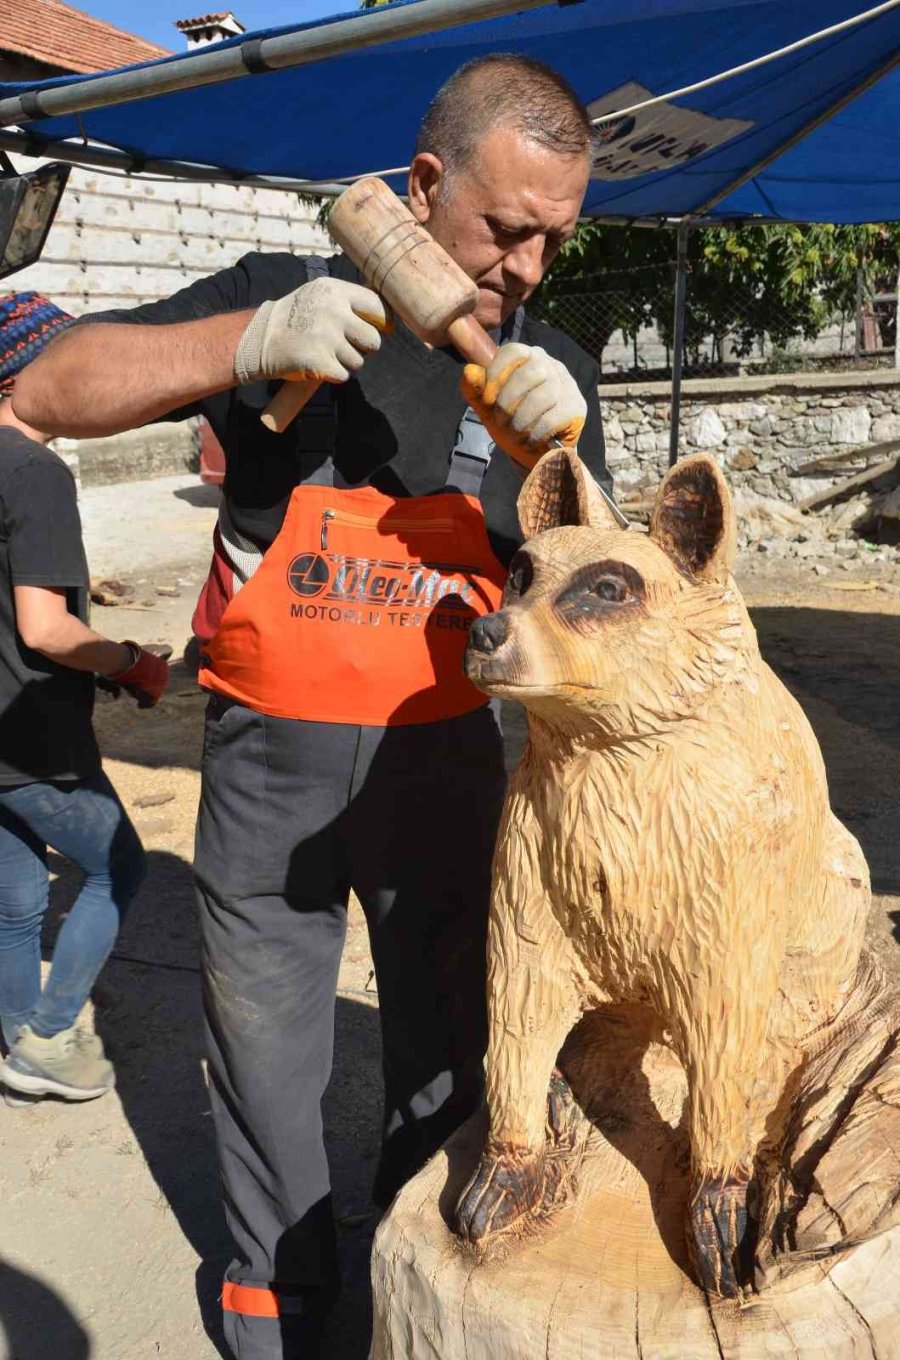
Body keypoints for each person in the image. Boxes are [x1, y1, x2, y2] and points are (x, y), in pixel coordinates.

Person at [15, 54, 610, 1359]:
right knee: (266, 1049)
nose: (522, 267)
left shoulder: (547, 371)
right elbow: (47, 390)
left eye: (553, 241)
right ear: (423, 183)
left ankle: (422, 1274)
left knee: (451, 1047)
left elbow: (608, 624)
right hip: (266, 774)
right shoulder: (284, 298)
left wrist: (568, 478)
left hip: (443, 768)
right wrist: (243, 344)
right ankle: (275, 1299)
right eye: (505, 226)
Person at [0, 292, 170, 1105]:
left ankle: (17, 1035)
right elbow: (45, 628)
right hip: (28, 735)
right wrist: (133, 662)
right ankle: (48, 1033)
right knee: (119, 868)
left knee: (19, 895)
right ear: (25, 373)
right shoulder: (33, 473)